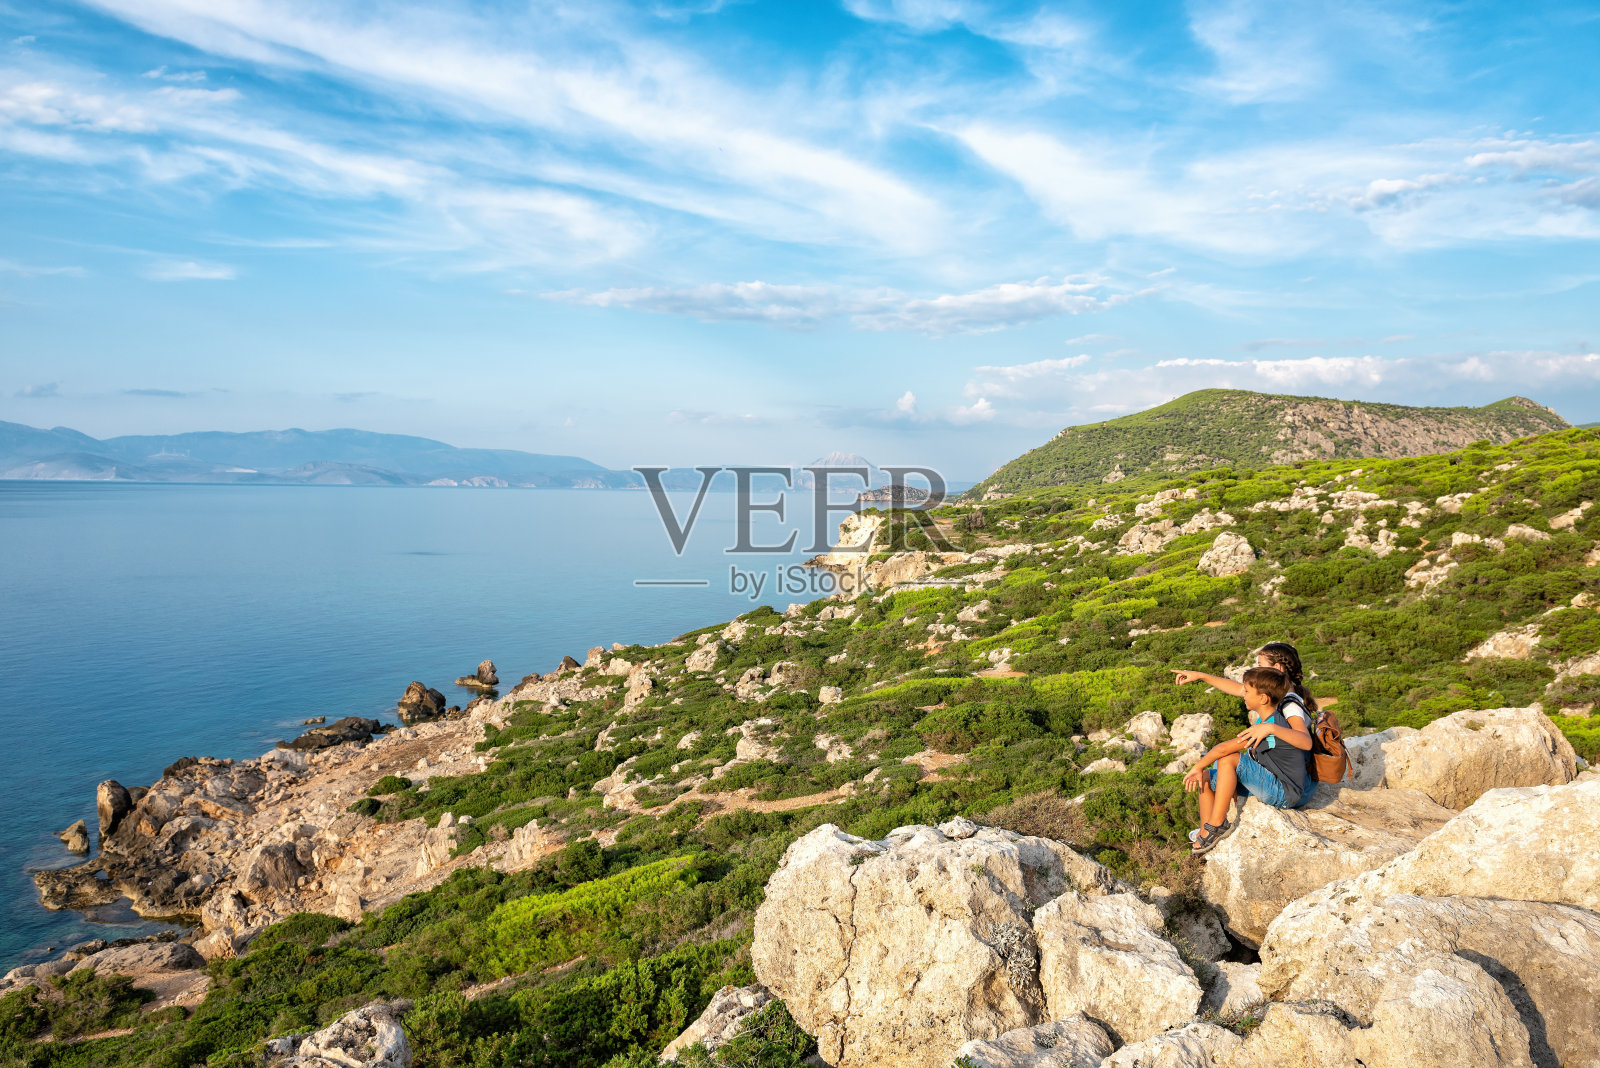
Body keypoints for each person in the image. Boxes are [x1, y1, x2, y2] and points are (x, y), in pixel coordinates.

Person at [1181, 665, 1312, 854]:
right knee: (1205, 777)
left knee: (1228, 759)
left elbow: (1225, 748)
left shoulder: (1272, 725)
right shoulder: (1265, 720)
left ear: (1263, 698)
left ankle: (1217, 824)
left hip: (1284, 792)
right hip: (1270, 780)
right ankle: (1205, 832)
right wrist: (1200, 771)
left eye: (1247, 691)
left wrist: (1197, 766)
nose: (1242, 693)